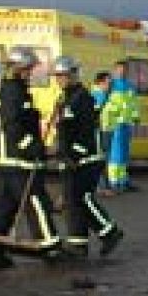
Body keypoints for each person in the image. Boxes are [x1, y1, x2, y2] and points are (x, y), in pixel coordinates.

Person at [0, 48, 58, 269]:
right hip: (16, 160)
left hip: (7, 160)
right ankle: (50, 246)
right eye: (28, 69)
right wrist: (32, 147)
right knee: (35, 201)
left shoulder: (13, 90)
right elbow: (12, 126)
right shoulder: (12, 92)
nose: (30, 73)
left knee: (4, 206)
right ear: (18, 68)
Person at [51, 57, 123, 256]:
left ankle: (110, 232)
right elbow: (65, 130)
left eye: (64, 76)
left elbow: (85, 133)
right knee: (74, 202)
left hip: (86, 159)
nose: (60, 80)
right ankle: (78, 243)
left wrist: (74, 155)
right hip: (73, 159)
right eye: (58, 76)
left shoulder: (82, 99)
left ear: (74, 75)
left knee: (82, 199)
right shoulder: (66, 98)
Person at [100, 60, 140, 191]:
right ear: (115, 70)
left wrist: (136, 118)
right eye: (119, 69)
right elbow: (102, 102)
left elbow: (134, 104)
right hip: (114, 124)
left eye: (124, 69)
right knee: (115, 154)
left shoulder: (130, 86)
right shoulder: (110, 85)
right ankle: (113, 182)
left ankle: (122, 181)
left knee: (124, 154)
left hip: (126, 124)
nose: (122, 72)